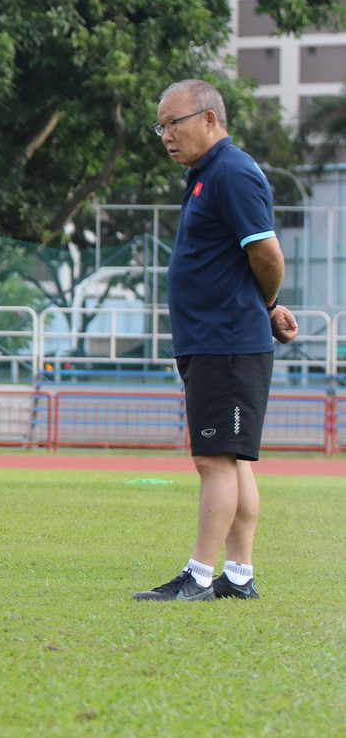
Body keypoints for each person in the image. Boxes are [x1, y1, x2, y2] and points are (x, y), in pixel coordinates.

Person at [134, 79, 299, 602]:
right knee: (232, 459)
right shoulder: (207, 174)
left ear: (209, 119)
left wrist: (267, 307)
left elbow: (268, 254)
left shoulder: (231, 171)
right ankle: (239, 576)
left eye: (174, 123)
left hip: (226, 341)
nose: (165, 135)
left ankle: (199, 577)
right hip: (214, 339)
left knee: (215, 461)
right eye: (160, 126)